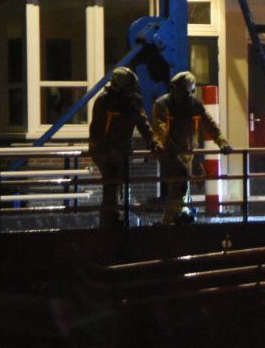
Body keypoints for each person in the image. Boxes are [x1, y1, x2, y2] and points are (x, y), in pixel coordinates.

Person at [152, 71, 232, 224]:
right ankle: (174, 218)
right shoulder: (162, 105)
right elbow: (160, 129)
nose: (178, 94)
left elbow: (210, 125)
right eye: (176, 90)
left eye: (181, 91)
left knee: (183, 184)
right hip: (170, 153)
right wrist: (170, 148)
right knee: (178, 183)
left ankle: (177, 216)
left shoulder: (195, 106)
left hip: (188, 152)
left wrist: (222, 142)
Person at [88, 67, 157, 228]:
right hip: (106, 151)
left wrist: (152, 140)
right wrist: (105, 151)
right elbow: (97, 131)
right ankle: (108, 222)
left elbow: (142, 122)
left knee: (119, 185)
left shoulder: (132, 100)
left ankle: (116, 218)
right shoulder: (104, 101)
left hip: (121, 150)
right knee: (111, 186)